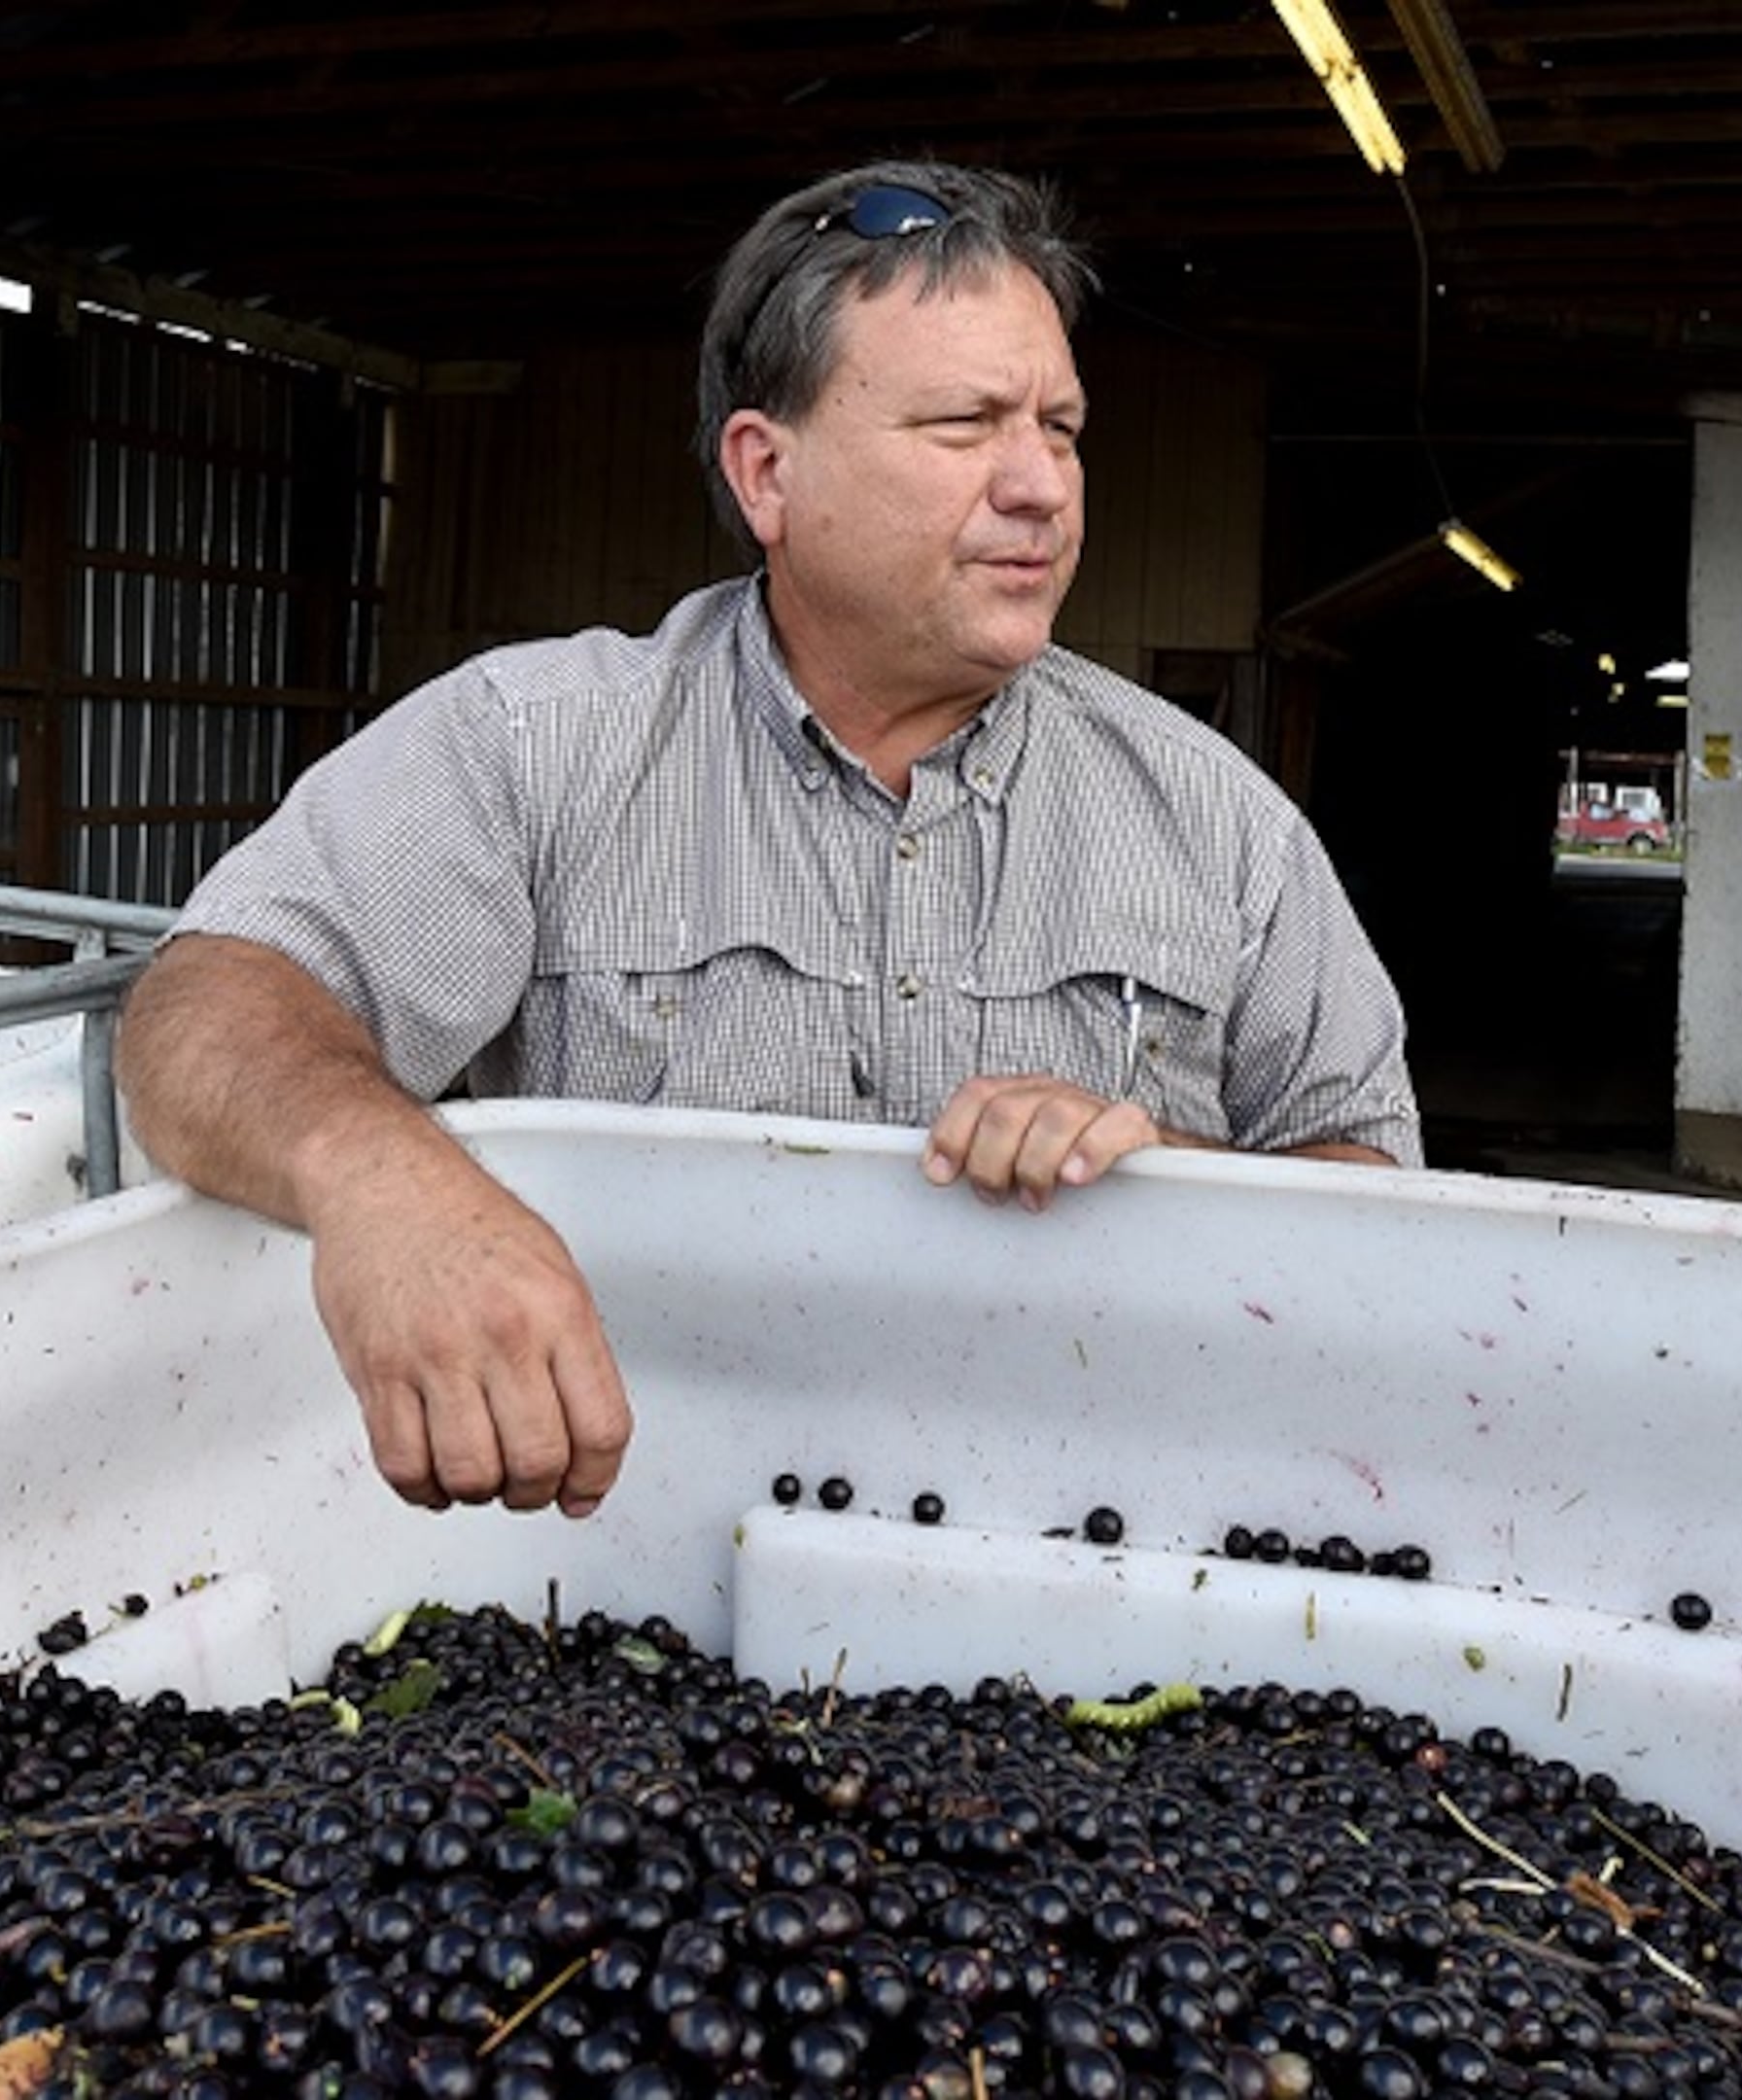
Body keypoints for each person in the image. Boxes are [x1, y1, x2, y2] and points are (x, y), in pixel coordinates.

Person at [116, 160, 1418, 1522]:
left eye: (1062, 426)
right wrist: (383, 1179)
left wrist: (1166, 1177)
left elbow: (1390, 1218)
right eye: (967, 423)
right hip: (611, 1568)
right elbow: (203, 1008)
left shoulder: (1219, 824)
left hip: (1083, 1563)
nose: (1043, 485)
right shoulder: (537, 750)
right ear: (768, 472)